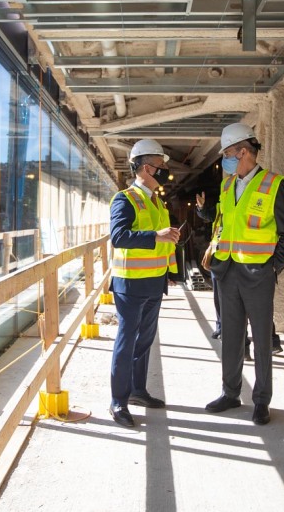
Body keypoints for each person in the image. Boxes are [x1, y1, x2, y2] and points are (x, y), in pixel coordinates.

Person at [204, 123, 284, 426]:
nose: (225, 160)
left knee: (261, 339)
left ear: (243, 151)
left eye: (228, 154)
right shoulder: (227, 186)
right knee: (230, 337)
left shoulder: (274, 184)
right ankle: (230, 393)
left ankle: (261, 401)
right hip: (227, 272)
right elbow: (222, 226)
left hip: (258, 274)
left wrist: (272, 268)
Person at [108, 138, 180, 428]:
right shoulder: (125, 199)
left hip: (153, 282)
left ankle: (138, 391)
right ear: (147, 168)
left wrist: (171, 269)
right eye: (161, 166)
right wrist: (156, 236)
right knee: (126, 344)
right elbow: (118, 237)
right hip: (130, 284)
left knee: (145, 341)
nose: (165, 171)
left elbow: (163, 239)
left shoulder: (156, 200)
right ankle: (118, 402)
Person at [196, 190, 282, 358]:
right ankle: (245, 345)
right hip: (223, 259)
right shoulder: (225, 205)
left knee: (253, 307)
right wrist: (202, 208)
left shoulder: (252, 203)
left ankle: (267, 342)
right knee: (237, 307)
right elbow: (212, 216)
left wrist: (275, 265)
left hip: (249, 262)